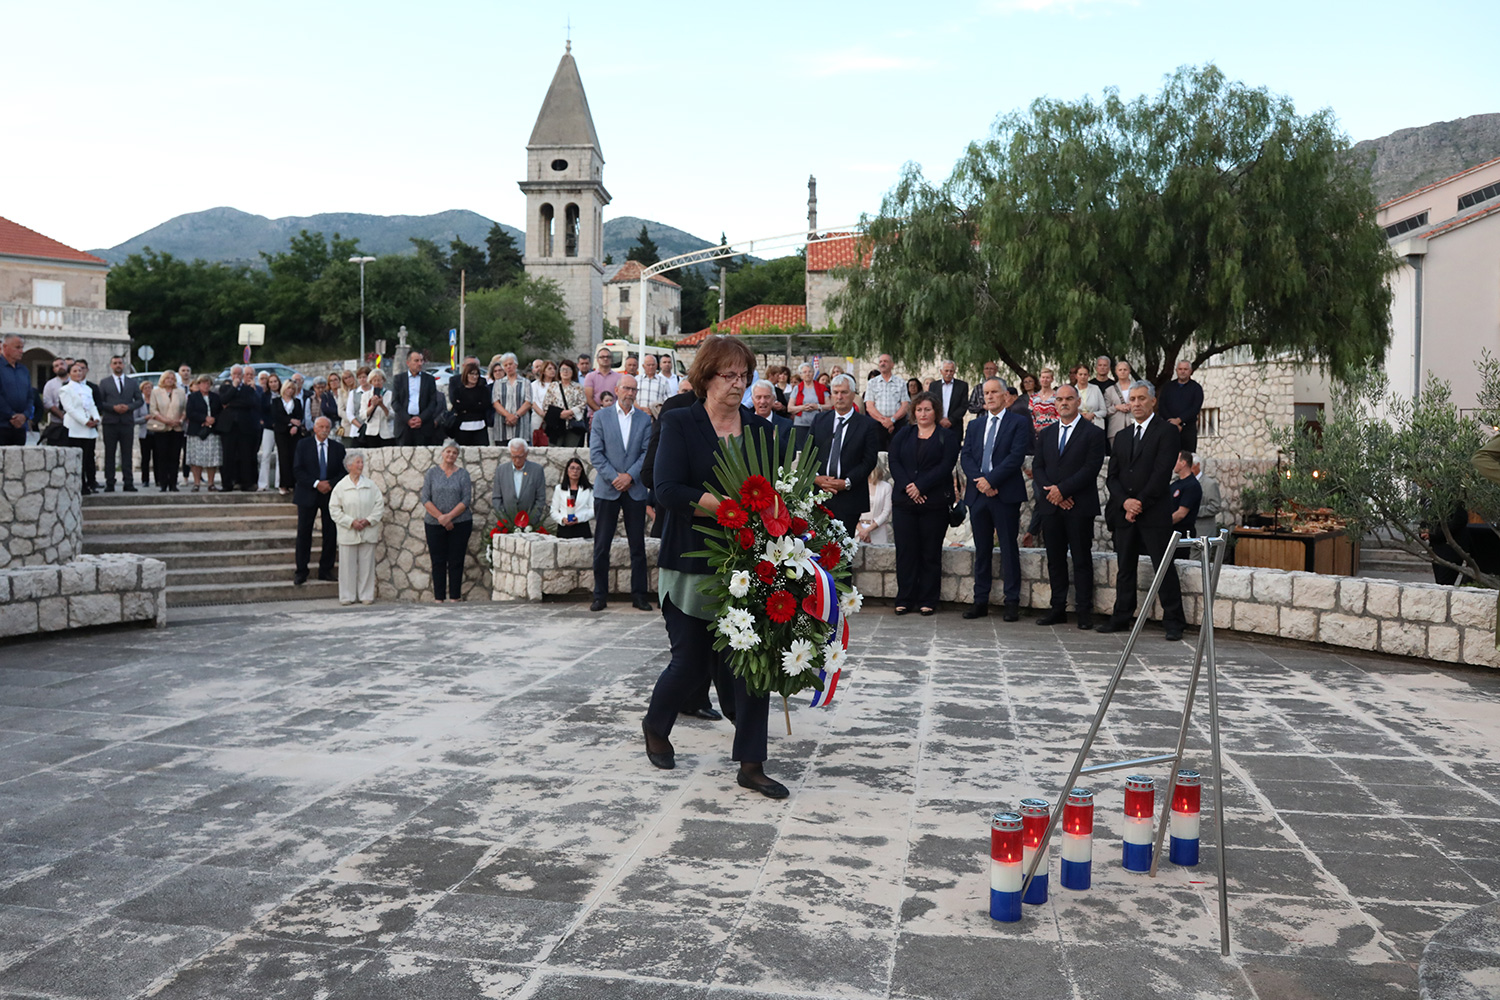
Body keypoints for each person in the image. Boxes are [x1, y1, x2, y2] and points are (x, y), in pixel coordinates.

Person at [643, 335, 783, 797]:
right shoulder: (680, 421)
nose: (738, 384)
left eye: (745, 376)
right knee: (690, 663)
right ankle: (656, 726)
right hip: (689, 559)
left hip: (747, 563)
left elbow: (774, 487)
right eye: (729, 375)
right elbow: (666, 488)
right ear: (706, 378)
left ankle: (751, 764)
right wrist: (724, 508)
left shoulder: (759, 428)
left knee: (750, 661)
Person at [1098, 382, 1187, 641]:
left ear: (1152, 401)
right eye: (1133, 399)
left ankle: (1174, 621)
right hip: (1125, 512)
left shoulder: (1167, 432)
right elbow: (1112, 476)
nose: (1136, 403)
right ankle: (1121, 616)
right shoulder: (1122, 435)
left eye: (1141, 398)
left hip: (1154, 512)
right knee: (1125, 567)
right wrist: (1125, 502)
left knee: (1163, 567)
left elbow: (1161, 473)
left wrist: (1139, 503)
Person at [1031, 384, 1107, 628]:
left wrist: (1063, 491)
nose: (1064, 403)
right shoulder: (1046, 434)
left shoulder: (1093, 433)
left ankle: (1084, 611)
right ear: (1055, 403)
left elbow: (1090, 468)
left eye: (1069, 399)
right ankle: (1058, 608)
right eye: (1059, 399)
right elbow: (1038, 467)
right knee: (1055, 560)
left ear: (1078, 402)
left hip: (1079, 506)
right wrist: (1053, 493)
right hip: (1051, 507)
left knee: (1081, 559)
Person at [960, 379, 1033, 621]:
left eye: (994, 392)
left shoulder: (1018, 422)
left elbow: (1015, 456)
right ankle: (980, 600)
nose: (989, 397)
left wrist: (991, 481)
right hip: (978, 495)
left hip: (1005, 493)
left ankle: (1011, 601)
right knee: (982, 549)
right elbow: (966, 456)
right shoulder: (975, 425)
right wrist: (981, 482)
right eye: (986, 393)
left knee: (1008, 547)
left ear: (1005, 396)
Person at [889, 392, 960, 616]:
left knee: (930, 553)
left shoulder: (946, 437)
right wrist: (909, 487)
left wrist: (921, 486)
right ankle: (905, 598)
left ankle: (928, 599)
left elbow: (946, 465)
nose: (923, 414)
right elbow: (894, 461)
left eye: (927, 409)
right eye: (919, 410)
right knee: (906, 552)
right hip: (904, 503)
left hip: (934, 503)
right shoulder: (904, 434)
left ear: (935, 412)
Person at [589, 373, 651, 612]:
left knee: (637, 547)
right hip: (607, 489)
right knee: (601, 546)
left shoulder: (644, 419)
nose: (630, 393)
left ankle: (639, 595)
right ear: (616, 390)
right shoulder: (601, 417)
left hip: (634, 489)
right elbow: (596, 453)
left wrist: (630, 476)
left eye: (634, 390)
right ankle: (599, 595)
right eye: (626, 388)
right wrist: (615, 478)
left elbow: (646, 453)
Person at [810, 374, 881, 536]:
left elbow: (869, 460)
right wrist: (817, 478)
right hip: (820, 494)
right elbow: (808, 454)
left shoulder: (867, 425)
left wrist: (847, 482)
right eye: (835, 392)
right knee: (817, 545)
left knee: (842, 546)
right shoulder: (819, 420)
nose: (839, 397)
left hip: (850, 496)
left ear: (853, 395)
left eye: (844, 392)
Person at [293, 416, 346, 586]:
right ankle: (301, 571)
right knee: (304, 533)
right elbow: (297, 470)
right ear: (315, 428)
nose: (324, 430)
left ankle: (326, 570)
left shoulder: (338, 448)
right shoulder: (303, 445)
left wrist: (330, 484)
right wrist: (316, 483)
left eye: (327, 427)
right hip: (308, 493)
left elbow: (342, 472)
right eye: (321, 427)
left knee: (330, 533)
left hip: (329, 494)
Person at [328, 450, 383, 605]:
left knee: (367, 566)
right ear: (349, 466)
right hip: (348, 533)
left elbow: (379, 506)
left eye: (362, 462)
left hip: (367, 531)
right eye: (357, 462)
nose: (361, 465)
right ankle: (347, 596)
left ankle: (366, 595)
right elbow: (334, 509)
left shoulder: (371, 485)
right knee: (347, 567)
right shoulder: (341, 487)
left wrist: (368, 520)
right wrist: (350, 522)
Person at [421, 443, 473, 602]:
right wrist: (441, 518)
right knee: (438, 561)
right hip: (434, 523)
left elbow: (466, 499)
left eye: (454, 452)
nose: (451, 455)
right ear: (442, 453)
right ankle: (439, 598)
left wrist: (449, 517)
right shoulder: (432, 473)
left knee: (456, 560)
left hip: (460, 523)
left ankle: (455, 597)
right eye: (448, 451)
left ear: (457, 455)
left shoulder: (463, 474)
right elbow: (425, 498)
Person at [98, 355, 144, 492]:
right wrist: (113, 408)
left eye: (120, 363)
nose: (118, 365)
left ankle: (128, 482)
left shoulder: (132, 383)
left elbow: (139, 400)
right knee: (110, 453)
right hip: (110, 422)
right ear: (111, 366)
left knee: (127, 453)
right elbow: (100, 402)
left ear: (123, 365)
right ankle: (110, 482)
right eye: (115, 363)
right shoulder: (104, 383)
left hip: (126, 422)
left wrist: (128, 407)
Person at [60, 361, 102, 493]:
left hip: (88, 429)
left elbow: (92, 405)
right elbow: (70, 409)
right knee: (76, 459)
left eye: (80, 371)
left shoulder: (87, 389)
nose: (78, 373)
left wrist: (96, 418)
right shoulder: (65, 389)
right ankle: (78, 485)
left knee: (88, 457)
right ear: (69, 374)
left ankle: (89, 483)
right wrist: (85, 421)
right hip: (75, 428)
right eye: (75, 371)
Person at [218, 365, 261, 491]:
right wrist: (234, 388)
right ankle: (227, 484)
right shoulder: (225, 387)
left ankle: (246, 483)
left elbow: (250, 403)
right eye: (234, 374)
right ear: (231, 376)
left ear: (242, 376)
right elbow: (224, 400)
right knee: (228, 455)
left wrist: (233, 402)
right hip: (228, 426)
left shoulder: (247, 389)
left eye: (239, 374)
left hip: (244, 426)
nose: (237, 376)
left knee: (245, 455)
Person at [389, 349, 442, 446]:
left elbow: (433, 402)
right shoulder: (399, 379)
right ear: (408, 363)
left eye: (421, 360)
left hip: (424, 426)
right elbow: (395, 402)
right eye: (416, 361)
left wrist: (421, 418)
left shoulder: (429, 379)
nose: (420, 363)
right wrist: (408, 419)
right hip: (404, 426)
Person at [146, 371, 187, 492]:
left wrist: (180, 420)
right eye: (167, 378)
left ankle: (173, 483)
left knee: (175, 457)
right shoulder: (156, 392)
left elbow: (185, 409)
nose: (170, 380)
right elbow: (153, 410)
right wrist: (166, 421)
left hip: (177, 428)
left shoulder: (180, 392)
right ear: (163, 379)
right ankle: (163, 483)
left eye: (172, 378)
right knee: (162, 456)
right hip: (162, 428)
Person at [492, 438, 546, 527]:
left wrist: (530, 521)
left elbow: (540, 498)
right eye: (514, 456)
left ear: (526, 453)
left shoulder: (537, 470)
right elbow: (496, 498)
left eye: (520, 456)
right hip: (506, 524)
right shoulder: (501, 470)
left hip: (530, 524)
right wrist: (504, 520)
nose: (517, 460)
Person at [184, 374, 223, 492]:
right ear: (199, 384)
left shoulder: (216, 397)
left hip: (212, 431)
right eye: (203, 383)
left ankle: (211, 483)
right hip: (197, 431)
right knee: (196, 458)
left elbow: (220, 412)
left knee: (212, 459)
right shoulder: (193, 397)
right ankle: (196, 483)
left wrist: (213, 420)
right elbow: (190, 413)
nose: (206, 385)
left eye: (208, 383)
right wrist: (204, 418)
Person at [863, 353, 907, 449]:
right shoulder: (872, 383)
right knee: (877, 452)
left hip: (897, 424)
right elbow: (869, 406)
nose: (882, 364)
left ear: (892, 364)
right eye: (880, 362)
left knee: (896, 450)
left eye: (885, 361)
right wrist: (884, 421)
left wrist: (892, 420)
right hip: (877, 425)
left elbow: (905, 405)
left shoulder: (901, 382)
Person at [1159, 360, 1204, 452]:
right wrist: (1172, 422)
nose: (1182, 371)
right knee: (1168, 456)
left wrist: (1179, 420)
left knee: (1187, 456)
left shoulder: (1196, 388)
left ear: (1190, 371)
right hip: (1169, 428)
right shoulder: (1168, 387)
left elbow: (1195, 408)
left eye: (1185, 369)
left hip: (1188, 430)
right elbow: (1162, 406)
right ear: (1176, 370)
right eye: (1180, 369)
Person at [490, 352, 534, 447]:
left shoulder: (525, 382)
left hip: (521, 425)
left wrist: (516, 416)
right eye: (505, 365)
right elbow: (495, 402)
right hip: (502, 426)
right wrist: (508, 416)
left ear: (516, 365)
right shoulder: (498, 383)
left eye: (510, 364)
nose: (508, 367)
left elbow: (528, 402)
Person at [543, 359, 588, 448]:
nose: (565, 372)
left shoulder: (578, 387)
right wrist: (560, 414)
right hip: (556, 424)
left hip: (573, 425)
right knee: (554, 451)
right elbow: (546, 405)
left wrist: (570, 412)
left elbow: (583, 404)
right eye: (563, 369)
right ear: (559, 372)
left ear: (573, 371)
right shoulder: (553, 386)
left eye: (568, 369)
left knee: (571, 451)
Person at [271, 379, 305, 496]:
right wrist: (290, 421)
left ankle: (294, 483)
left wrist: (295, 426)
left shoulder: (297, 402)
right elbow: (276, 415)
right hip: (281, 432)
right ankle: (283, 484)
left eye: (292, 389)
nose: (290, 391)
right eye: (288, 388)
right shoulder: (276, 401)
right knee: (283, 457)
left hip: (294, 432)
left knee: (294, 457)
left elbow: (299, 416)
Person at [447, 361, 491, 447]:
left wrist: (466, 406)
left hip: (480, 426)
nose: (474, 376)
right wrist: (476, 404)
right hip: (463, 427)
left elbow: (484, 406)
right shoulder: (458, 391)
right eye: (471, 374)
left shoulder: (483, 390)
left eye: (476, 374)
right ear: (466, 375)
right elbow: (457, 407)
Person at [551, 456, 595, 539]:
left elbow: (593, 509)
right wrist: (562, 519)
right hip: (564, 528)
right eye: (572, 468)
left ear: (581, 471)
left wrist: (579, 518)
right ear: (567, 470)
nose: (575, 471)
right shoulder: (559, 489)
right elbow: (554, 510)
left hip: (582, 527)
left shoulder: (588, 490)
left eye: (578, 469)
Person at [0, 334, 33, 446]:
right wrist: (12, 415)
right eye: (17, 347)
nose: (21, 351)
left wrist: (25, 416)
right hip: (2, 425)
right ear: (5, 347)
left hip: (20, 428)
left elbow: (30, 396)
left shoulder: (24, 370)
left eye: (22, 347)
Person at [786, 362, 828, 448]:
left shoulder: (821, 388)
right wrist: (802, 408)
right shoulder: (797, 389)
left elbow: (830, 406)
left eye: (810, 371)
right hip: (800, 424)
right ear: (801, 375)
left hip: (818, 424)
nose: (807, 374)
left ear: (813, 373)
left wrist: (817, 406)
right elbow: (789, 408)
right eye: (804, 372)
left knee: (817, 448)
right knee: (801, 449)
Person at [928, 359, 970, 444]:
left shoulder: (962, 386)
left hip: (955, 426)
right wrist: (939, 419)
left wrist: (951, 420)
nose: (948, 373)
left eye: (951, 371)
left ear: (954, 371)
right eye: (946, 371)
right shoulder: (934, 386)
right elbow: (931, 404)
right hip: (936, 425)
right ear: (941, 371)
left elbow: (963, 405)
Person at [856, 463, 893, 545]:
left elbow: (886, 512)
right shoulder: (857, 485)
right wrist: (861, 530)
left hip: (878, 532)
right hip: (858, 532)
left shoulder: (886, 487)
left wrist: (867, 530)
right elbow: (852, 509)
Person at [1170, 450, 1203, 536]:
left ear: (1183, 463)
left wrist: (1162, 524)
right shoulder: (1175, 484)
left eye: (1176, 460)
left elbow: (1181, 514)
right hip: (1170, 532)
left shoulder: (1192, 485)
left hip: (1182, 535)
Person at [1103, 358, 1136, 445]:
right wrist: (1117, 407)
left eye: (1125, 369)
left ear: (1129, 371)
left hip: (1134, 424)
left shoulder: (1137, 387)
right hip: (1116, 427)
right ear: (1116, 372)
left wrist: (1132, 405)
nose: (1122, 372)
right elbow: (1105, 411)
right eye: (1120, 370)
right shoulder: (1109, 390)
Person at [1193, 455, 1223, 540]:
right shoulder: (1181, 483)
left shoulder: (1209, 484)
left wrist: (1193, 511)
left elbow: (1215, 507)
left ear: (1197, 465)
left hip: (1203, 534)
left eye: (1190, 465)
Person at [583, 345, 620, 412]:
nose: (605, 359)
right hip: (594, 415)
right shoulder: (590, 376)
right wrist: (600, 412)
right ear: (597, 360)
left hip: (614, 414)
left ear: (611, 359)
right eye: (602, 357)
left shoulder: (619, 377)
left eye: (608, 357)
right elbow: (588, 398)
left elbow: (620, 397)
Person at [362, 369, 392, 447]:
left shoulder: (390, 394)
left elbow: (392, 415)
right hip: (371, 432)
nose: (377, 383)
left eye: (379, 380)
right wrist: (373, 406)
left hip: (386, 432)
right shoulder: (365, 395)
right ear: (371, 382)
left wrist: (382, 405)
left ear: (383, 380)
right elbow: (362, 415)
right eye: (374, 381)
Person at [636, 354, 670, 418]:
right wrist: (641, 409)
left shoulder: (663, 381)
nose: (651, 367)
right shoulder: (637, 380)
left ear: (656, 365)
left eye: (653, 365)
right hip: (639, 415)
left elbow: (668, 401)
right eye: (648, 365)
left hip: (656, 417)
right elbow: (632, 399)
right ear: (643, 366)